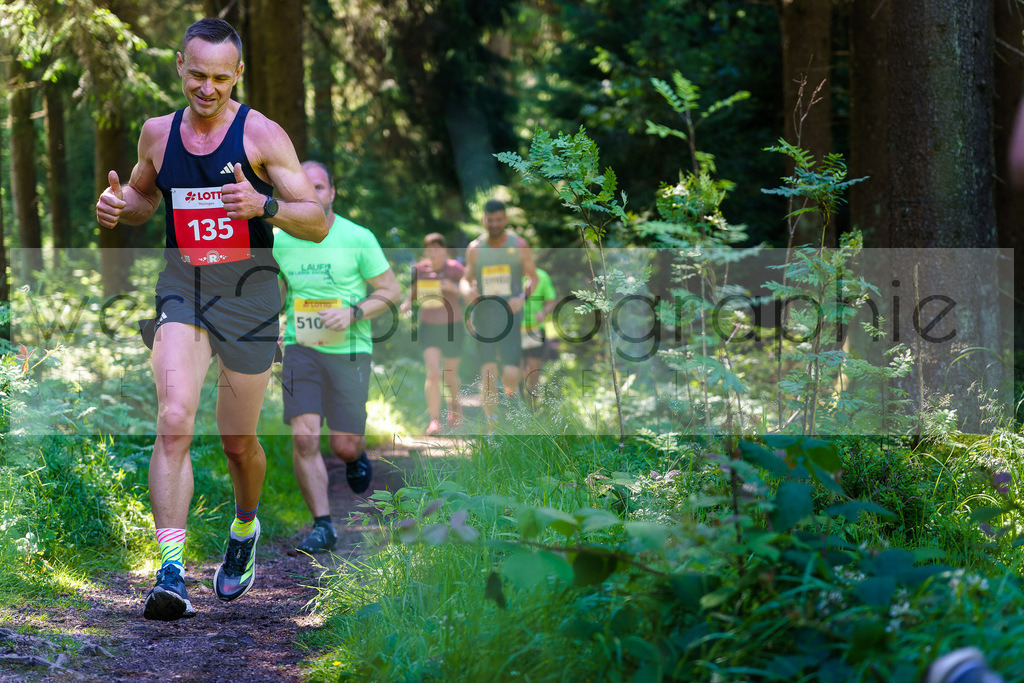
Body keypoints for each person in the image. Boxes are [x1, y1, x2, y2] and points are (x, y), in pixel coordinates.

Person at [94, 18, 329, 621]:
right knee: (174, 418)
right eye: (197, 74)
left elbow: (316, 219)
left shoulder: (262, 135)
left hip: (250, 298)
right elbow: (147, 199)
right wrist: (123, 206)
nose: (207, 88)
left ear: (238, 75)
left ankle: (244, 528)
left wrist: (266, 205)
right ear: (179, 65)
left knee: (237, 442)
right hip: (184, 289)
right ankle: (169, 571)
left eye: (221, 78)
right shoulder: (157, 133)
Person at [274, 161, 401, 554]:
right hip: (301, 348)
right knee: (304, 435)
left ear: (332, 192)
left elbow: (391, 290)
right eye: (303, 188)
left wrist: (354, 312)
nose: (312, 194)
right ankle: (323, 526)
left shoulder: (357, 237)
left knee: (345, 445)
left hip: (350, 349)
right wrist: (271, 323)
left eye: (319, 187)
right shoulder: (280, 239)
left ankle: (355, 455)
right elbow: (276, 291)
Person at [462, 199, 538, 426]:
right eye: (489, 220)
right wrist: (468, 292)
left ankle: (509, 407)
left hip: (511, 316)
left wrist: (522, 298)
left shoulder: (519, 244)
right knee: (488, 370)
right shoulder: (475, 248)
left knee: (511, 374)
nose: (494, 224)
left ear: (505, 219)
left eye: (498, 219)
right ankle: (491, 422)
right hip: (485, 316)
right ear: (484, 220)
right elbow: (465, 279)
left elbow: (533, 277)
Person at [400, 233, 465, 436]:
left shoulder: (455, 268)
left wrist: (453, 287)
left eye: (438, 248)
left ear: (444, 250)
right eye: (430, 249)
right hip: (428, 326)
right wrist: (407, 303)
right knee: (434, 373)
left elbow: (470, 290)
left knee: (450, 374)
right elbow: (413, 291)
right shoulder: (420, 269)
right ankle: (434, 420)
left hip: (453, 326)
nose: (434, 252)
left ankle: (455, 406)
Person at [521, 266, 558, 408]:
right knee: (515, 370)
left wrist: (543, 311)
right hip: (512, 329)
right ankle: (515, 407)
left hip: (534, 328)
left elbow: (551, 299)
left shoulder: (541, 275)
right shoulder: (510, 275)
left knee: (533, 370)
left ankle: (532, 408)